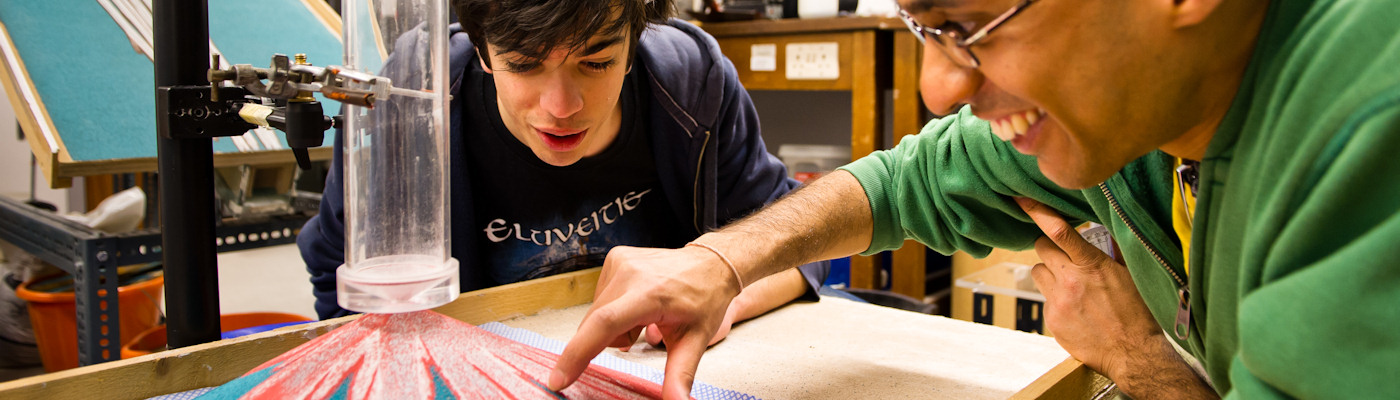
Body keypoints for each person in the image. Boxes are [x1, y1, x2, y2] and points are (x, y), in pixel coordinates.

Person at [547, 0, 1400, 398]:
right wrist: (721, 261)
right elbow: (907, 180)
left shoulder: (1368, 121)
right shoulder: (1131, 104)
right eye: (924, 29)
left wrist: (1142, 364)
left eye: (969, 27)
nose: (938, 86)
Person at [297, 0, 830, 345]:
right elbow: (336, 271)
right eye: (525, 64)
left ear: (635, 38)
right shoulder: (416, 96)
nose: (561, 106)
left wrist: (722, 293)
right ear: (482, 49)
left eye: (596, 63)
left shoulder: (691, 85)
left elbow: (797, 245)